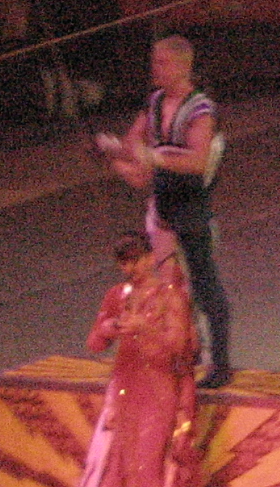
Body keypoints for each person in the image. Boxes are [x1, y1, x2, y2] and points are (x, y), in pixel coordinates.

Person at [68, 232, 209, 487]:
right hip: (126, 387)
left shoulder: (170, 295)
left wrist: (144, 326)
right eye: (124, 262)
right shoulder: (118, 295)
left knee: (150, 468)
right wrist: (109, 327)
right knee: (123, 468)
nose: (130, 268)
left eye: (136, 259)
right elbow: (94, 343)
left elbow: (181, 348)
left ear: (149, 257)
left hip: (160, 389)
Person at [97, 34, 231, 387]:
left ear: (182, 66)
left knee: (204, 286)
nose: (154, 69)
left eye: (161, 63)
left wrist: (152, 156)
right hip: (162, 211)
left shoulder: (200, 110)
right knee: (168, 288)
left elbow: (198, 161)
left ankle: (220, 363)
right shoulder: (154, 103)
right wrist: (115, 153)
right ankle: (182, 353)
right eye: (153, 62)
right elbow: (135, 155)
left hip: (191, 211)